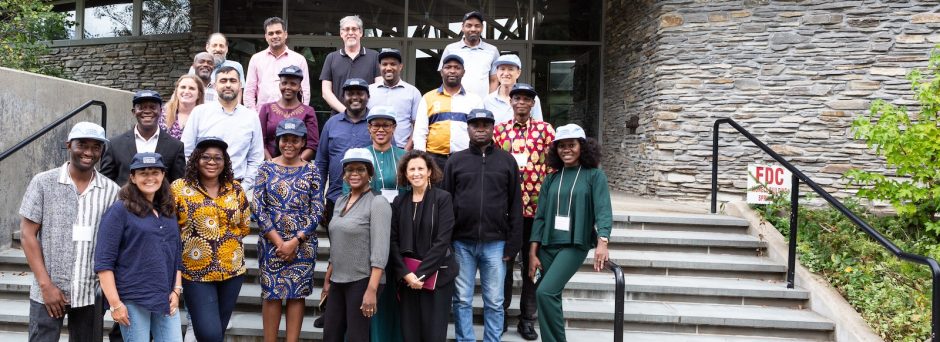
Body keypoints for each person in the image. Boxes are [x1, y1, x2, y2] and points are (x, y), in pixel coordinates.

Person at [19, 122, 120, 341]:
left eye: (96, 147)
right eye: (82, 144)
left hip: (90, 291)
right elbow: (27, 234)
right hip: (47, 289)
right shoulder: (43, 182)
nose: (88, 152)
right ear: (68, 145)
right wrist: (46, 285)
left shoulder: (112, 191)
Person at [443, 108, 523, 342]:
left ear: (492, 127)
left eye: (485, 124)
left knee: (495, 301)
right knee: (462, 300)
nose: (480, 128)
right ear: (467, 128)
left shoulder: (507, 161)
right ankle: (465, 339)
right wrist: (447, 241)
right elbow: (446, 203)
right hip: (462, 243)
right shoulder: (455, 161)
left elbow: (516, 205)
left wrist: (513, 245)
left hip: (496, 244)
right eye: (475, 124)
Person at [528, 124, 612, 342]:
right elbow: (540, 217)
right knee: (549, 296)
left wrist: (603, 241)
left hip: (574, 245)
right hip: (548, 245)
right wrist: (532, 252)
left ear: (582, 147)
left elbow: (603, 210)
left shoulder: (595, 176)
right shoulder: (551, 179)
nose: (566, 150)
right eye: (561, 146)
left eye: (571, 145)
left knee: (545, 293)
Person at [95, 153, 183, 342]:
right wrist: (115, 304)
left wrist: (176, 290)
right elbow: (104, 262)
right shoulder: (120, 211)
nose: (150, 178)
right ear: (133, 178)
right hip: (133, 298)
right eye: (143, 173)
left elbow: (176, 255)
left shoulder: (167, 210)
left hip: (164, 296)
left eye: (155, 172)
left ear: (163, 175)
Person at [172, 137, 250, 342]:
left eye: (218, 158)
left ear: (225, 162)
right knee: (209, 334)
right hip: (196, 273)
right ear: (196, 160)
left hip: (232, 272)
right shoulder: (179, 188)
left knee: (218, 332)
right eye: (206, 157)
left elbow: (244, 226)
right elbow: (171, 228)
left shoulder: (236, 189)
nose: (212, 162)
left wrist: (225, 246)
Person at [253, 118, 324, 342]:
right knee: (272, 295)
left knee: (296, 295)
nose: (289, 144)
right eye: (285, 139)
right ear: (278, 140)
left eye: (295, 140)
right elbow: (258, 207)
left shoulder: (312, 171)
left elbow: (318, 209)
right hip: (271, 242)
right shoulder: (266, 168)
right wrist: (278, 242)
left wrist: (295, 241)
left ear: (303, 141)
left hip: (302, 245)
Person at [493, 83, 555, 340]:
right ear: (511, 102)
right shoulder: (500, 131)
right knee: (504, 265)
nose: (521, 102)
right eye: (517, 98)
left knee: (533, 266)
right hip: (507, 211)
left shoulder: (545, 130)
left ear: (532, 104)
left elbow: (553, 167)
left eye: (526, 99)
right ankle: (501, 315)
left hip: (536, 210)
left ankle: (527, 319)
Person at [321, 148, 391, 342]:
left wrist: (371, 290)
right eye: (349, 169)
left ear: (370, 173)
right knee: (330, 335)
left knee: (356, 337)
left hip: (363, 280)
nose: (354, 174)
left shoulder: (378, 203)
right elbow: (337, 244)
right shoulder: (341, 201)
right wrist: (328, 280)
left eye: (360, 169)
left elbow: (380, 250)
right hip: (338, 280)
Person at [387, 150, 458, 342]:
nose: (416, 173)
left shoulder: (443, 199)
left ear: (429, 172)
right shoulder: (399, 201)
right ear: (405, 173)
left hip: (437, 277)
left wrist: (420, 275)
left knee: (433, 335)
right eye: (411, 169)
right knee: (410, 334)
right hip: (408, 280)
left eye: (420, 168)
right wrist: (406, 274)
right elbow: (393, 241)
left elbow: (442, 241)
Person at [181, 66, 265, 199]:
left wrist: (244, 186)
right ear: (215, 85)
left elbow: (256, 158)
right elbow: (186, 151)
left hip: (237, 187)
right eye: (223, 80)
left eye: (232, 80)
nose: (228, 85)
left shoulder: (251, 117)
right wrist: (194, 182)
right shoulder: (199, 113)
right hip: (200, 188)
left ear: (240, 85)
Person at [361, 106, 405, 342]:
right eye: (375, 125)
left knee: (393, 293)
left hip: (399, 233)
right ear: (368, 128)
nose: (380, 129)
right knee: (372, 287)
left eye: (386, 125)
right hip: (369, 233)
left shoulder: (404, 157)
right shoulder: (360, 155)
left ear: (394, 128)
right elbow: (351, 193)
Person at [315, 78, 372, 226]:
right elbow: (321, 163)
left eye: (360, 93)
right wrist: (318, 198)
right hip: (336, 198)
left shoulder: (376, 123)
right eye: (350, 93)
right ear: (343, 97)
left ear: (368, 96)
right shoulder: (331, 124)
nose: (355, 97)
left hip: (369, 200)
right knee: (336, 246)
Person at [412, 54, 484, 172]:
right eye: (448, 67)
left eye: (457, 67)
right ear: (441, 72)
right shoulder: (428, 98)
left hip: (465, 158)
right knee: (436, 191)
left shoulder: (474, 100)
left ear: (463, 72)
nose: (452, 71)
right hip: (434, 159)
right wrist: (421, 159)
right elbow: (420, 132)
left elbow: (479, 133)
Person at [100, 90, 186, 186]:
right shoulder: (115, 144)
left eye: (152, 107)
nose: (147, 111)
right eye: (142, 107)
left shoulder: (175, 146)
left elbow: (179, 185)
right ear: (134, 112)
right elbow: (105, 182)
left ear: (161, 111)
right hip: (125, 200)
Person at [245, 17, 311, 110]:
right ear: (266, 37)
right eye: (271, 33)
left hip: (291, 116)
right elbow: (249, 92)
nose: (275, 36)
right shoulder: (256, 59)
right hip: (263, 116)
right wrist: (254, 117)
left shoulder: (299, 59)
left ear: (285, 34)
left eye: (278, 32)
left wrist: (301, 114)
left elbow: (305, 91)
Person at [320, 15, 380, 114]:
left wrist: (362, 112)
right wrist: (345, 112)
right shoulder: (331, 58)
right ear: (341, 33)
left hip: (367, 118)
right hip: (338, 117)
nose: (350, 33)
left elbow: (379, 89)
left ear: (360, 32)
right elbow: (326, 92)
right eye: (347, 29)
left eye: (354, 29)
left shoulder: (374, 57)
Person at [259, 65, 319, 161]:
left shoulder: (308, 112)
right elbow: (260, 142)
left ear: (299, 87)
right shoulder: (266, 109)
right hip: (271, 166)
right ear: (279, 85)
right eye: (284, 83)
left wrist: (294, 165)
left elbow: (312, 145)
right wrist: (272, 164)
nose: (288, 87)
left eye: (293, 84)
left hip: (299, 168)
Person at [367, 48, 421, 150]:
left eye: (393, 64)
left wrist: (405, 152)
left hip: (402, 149)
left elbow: (418, 127)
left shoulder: (413, 92)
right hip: (373, 150)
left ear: (400, 66)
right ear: (379, 67)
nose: (388, 68)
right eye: (384, 64)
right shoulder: (369, 91)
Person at [438, 11, 499, 100]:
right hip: (456, 102)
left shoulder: (492, 50)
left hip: (482, 105)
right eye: (469, 25)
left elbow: (494, 80)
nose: (473, 29)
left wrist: (489, 101)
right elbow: (444, 75)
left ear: (482, 28)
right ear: (462, 27)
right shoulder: (450, 49)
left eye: (477, 26)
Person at [483, 55, 544, 123]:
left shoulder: (531, 99)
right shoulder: (488, 101)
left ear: (518, 72)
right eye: (502, 69)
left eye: (510, 69)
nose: (506, 73)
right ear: (497, 72)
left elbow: (539, 127)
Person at [160, 75, 206, 139]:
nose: (186, 91)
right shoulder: (162, 113)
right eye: (183, 87)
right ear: (176, 91)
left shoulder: (205, 117)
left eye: (191, 88)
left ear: (199, 94)